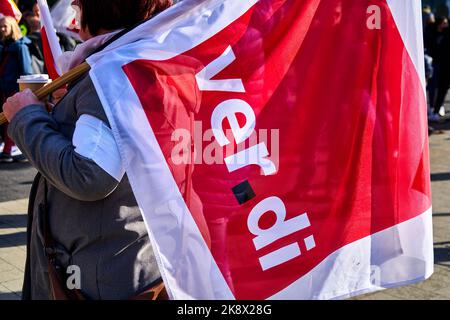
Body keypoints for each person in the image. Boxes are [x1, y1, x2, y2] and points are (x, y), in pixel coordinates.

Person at [2, 0, 173, 300]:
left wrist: (26, 118)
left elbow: (90, 175)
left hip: (98, 271)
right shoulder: (140, 58)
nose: (73, 6)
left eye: (80, 2)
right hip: (120, 256)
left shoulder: (111, 70)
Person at [0, 15, 33, 162]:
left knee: (12, 120)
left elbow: (26, 71)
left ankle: (10, 150)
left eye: (5, 26)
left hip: (14, 89)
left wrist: (23, 91)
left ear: (12, 26)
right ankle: (8, 150)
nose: (2, 29)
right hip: (4, 89)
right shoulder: (4, 46)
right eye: (0, 26)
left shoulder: (21, 46)